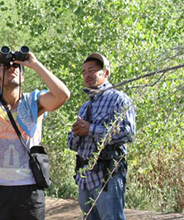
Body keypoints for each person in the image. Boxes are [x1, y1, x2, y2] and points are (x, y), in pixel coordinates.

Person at [0, 49, 70, 220]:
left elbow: (63, 95)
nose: (12, 68)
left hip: (29, 189)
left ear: (23, 77)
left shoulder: (35, 102)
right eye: (6, 67)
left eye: (17, 66)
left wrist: (35, 64)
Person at [67, 53, 136, 220]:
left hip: (108, 175)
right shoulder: (84, 107)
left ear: (106, 73)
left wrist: (91, 129)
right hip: (85, 177)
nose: (87, 75)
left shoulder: (119, 99)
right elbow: (71, 144)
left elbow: (128, 132)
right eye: (84, 72)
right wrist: (76, 133)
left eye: (92, 70)